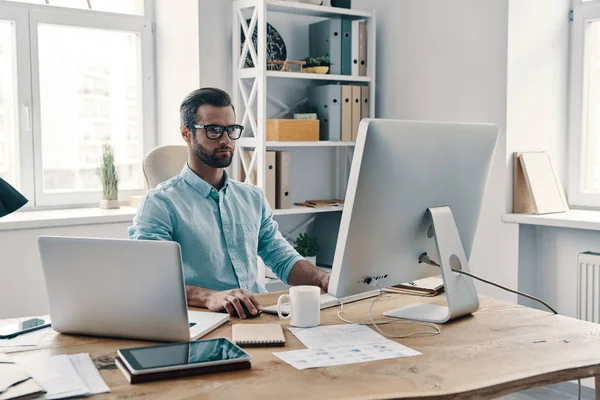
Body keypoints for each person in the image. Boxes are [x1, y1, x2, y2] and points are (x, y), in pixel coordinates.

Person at [129, 88, 330, 319]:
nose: (226, 140)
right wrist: (209, 297)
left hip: (259, 314)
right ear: (186, 133)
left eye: (231, 129)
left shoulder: (252, 197)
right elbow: (151, 282)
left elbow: (283, 259)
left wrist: (323, 278)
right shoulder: (159, 203)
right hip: (202, 321)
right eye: (214, 130)